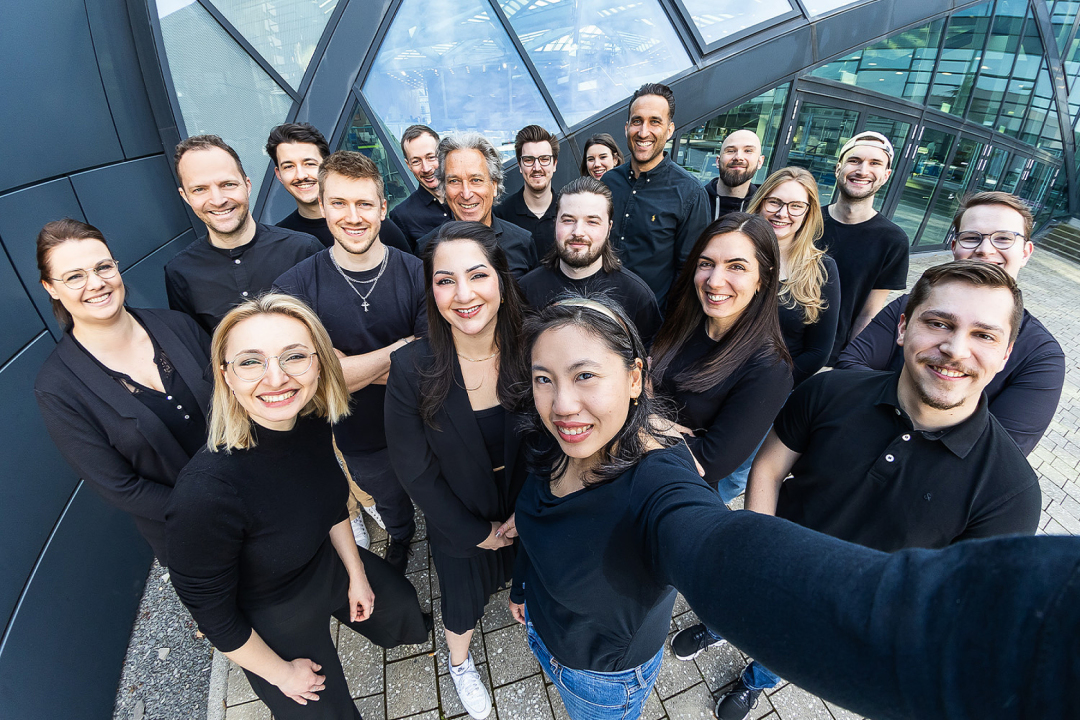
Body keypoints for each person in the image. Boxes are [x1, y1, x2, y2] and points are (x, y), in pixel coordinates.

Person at [680, 260, 1042, 720]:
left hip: (842, 622)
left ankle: (757, 680)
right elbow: (769, 469)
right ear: (903, 327)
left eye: (983, 335)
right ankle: (715, 626)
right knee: (727, 610)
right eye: (938, 323)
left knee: (785, 656)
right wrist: (755, 551)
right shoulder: (829, 392)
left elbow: (954, 611)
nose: (954, 348)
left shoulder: (1011, 492)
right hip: (765, 559)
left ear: (1006, 353)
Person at [166, 294, 431, 720]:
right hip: (270, 610)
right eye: (251, 362)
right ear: (226, 376)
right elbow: (215, 620)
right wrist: (281, 674)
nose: (276, 378)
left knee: (397, 602)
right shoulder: (205, 495)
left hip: (322, 563)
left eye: (293, 357)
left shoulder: (307, 420)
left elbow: (328, 503)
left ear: (319, 363)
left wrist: (357, 574)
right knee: (323, 711)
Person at [507, 296, 734, 719]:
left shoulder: (657, 482)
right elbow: (536, 530)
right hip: (542, 626)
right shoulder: (555, 440)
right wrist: (521, 589)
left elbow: (711, 542)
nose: (562, 406)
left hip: (601, 679)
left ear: (634, 379)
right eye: (544, 379)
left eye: (586, 375)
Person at [385, 221, 530, 720]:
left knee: (530, 581)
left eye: (477, 275)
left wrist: (529, 513)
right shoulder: (410, 367)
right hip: (459, 518)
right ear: (431, 290)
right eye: (445, 280)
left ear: (502, 281)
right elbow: (414, 470)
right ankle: (460, 662)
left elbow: (557, 442)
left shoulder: (534, 348)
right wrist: (475, 531)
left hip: (527, 506)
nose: (463, 294)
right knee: (462, 604)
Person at [274, 151, 424, 574]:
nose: (352, 216)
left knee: (440, 489)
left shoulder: (418, 273)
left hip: (424, 419)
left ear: (382, 208)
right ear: (322, 207)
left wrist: (342, 368)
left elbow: (429, 364)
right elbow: (310, 377)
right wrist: (401, 348)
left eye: (364, 204)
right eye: (339, 203)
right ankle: (401, 535)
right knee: (390, 499)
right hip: (358, 433)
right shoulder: (295, 286)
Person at [34, 219, 212, 566]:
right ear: (50, 288)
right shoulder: (58, 388)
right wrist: (213, 508)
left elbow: (240, 401)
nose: (97, 283)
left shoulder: (179, 326)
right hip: (191, 538)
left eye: (103, 267)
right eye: (74, 276)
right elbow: (120, 487)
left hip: (262, 496)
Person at [838, 191, 1064, 455]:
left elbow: (999, 453)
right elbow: (849, 367)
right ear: (955, 246)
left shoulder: (1042, 356)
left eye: (1003, 238)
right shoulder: (909, 305)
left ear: (1025, 252)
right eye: (972, 237)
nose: (985, 249)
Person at [650, 213, 793, 502]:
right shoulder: (684, 324)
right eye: (706, 264)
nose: (715, 281)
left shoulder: (769, 368)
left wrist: (647, 416)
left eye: (736, 267)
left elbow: (709, 463)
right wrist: (671, 430)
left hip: (671, 495)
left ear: (762, 280)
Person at [165, 135, 323, 333]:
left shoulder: (303, 249)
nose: (218, 200)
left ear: (247, 185)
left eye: (227, 184)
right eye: (199, 189)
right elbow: (196, 348)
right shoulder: (180, 272)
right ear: (185, 197)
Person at [603, 83, 711, 306]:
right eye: (637, 121)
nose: (643, 132)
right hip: (598, 312)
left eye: (655, 122)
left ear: (670, 130)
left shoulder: (690, 192)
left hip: (650, 325)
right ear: (626, 128)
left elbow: (688, 272)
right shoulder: (607, 182)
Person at [518, 177, 662, 345]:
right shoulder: (525, 290)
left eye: (592, 222)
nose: (578, 232)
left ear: (609, 229)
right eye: (568, 220)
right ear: (555, 223)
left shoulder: (637, 297)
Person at [818, 131, 909, 364]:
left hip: (830, 357)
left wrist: (848, 362)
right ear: (839, 168)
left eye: (875, 163)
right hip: (777, 342)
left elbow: (868, 313)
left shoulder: (892, 240)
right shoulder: (807, 220)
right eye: (854, 160)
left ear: (886, 175)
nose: (862, 170)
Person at [747, 167, 839, 384]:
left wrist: (772, 386)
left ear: (808, 212)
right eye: (774, 202)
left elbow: (818, 351)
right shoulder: (732, 252)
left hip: (773, 386)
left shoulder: (822, 269)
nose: (782, 213)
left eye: (796, 206)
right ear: (760, 202)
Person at [266, 122, 412, 253]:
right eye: (289, 166)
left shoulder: (372, 225)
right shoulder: (281, 238)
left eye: (309, 163)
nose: (301, 175)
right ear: (279, 174)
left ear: (326, 167)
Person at [416, 133, 537, 278]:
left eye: (476, 180)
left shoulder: (522, 242)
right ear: (444, 188)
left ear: (493, 186)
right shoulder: (426, 249)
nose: (466, 194)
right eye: (454, 181)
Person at [494, 125, 560, 260]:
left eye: (544, 159)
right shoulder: (500, 216)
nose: (537, 167)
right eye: (529, 160)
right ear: (519, 165)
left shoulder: (569, 211)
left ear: (554, 164)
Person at [388, 124, 452, 248]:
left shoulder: (466, 196)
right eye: (416, 161)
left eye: (431, 157)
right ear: (408, 165)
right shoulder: (401, 216)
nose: (426, 168)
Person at [705, 130, 765, 220]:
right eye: (730, 151)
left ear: (760, 162)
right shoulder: (693, 200)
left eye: (748, 151)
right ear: (717, 161)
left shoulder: (764, 209)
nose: (738, 157)